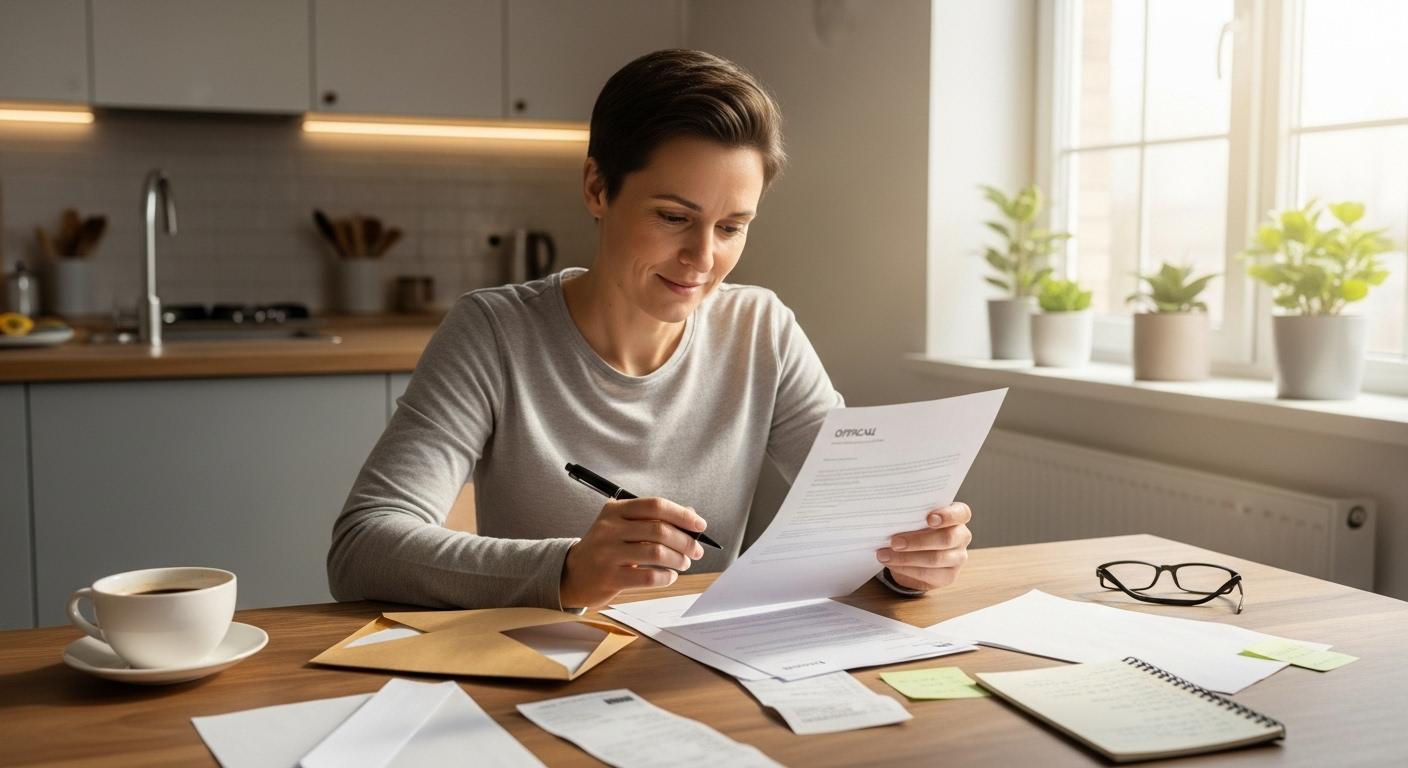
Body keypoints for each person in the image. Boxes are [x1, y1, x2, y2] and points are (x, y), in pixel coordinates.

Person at [328, 49, 973, 612]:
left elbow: (857, 516)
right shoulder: (494, 332)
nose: (702, 259)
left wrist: (906, 560)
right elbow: (363, 547)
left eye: (731, 227)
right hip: (545, 674)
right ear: (596, 187)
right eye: (672, 216)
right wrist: (570, 569)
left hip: (706, 677)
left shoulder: (762, 329)